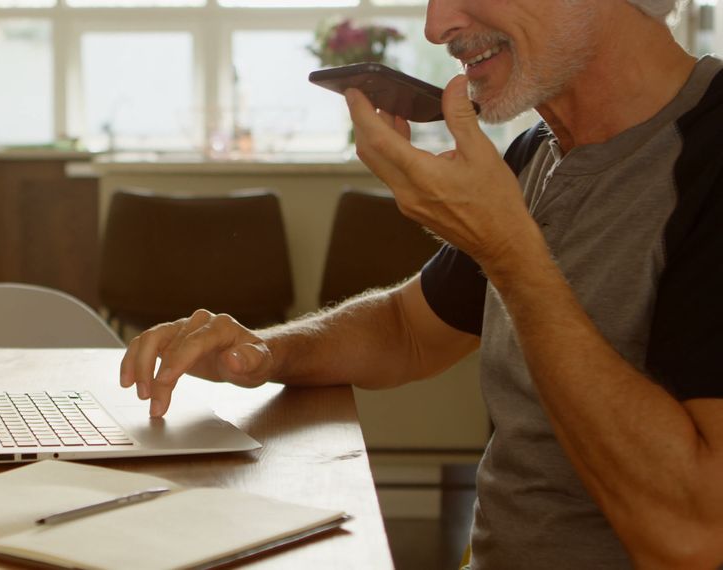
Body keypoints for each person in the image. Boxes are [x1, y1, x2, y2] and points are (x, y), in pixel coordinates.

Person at [118, 0, 723, 568]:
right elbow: (408, 330)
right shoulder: (536, 154)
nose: (436, 25)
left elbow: (694, 537)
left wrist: (509, 252)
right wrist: (264, 351)